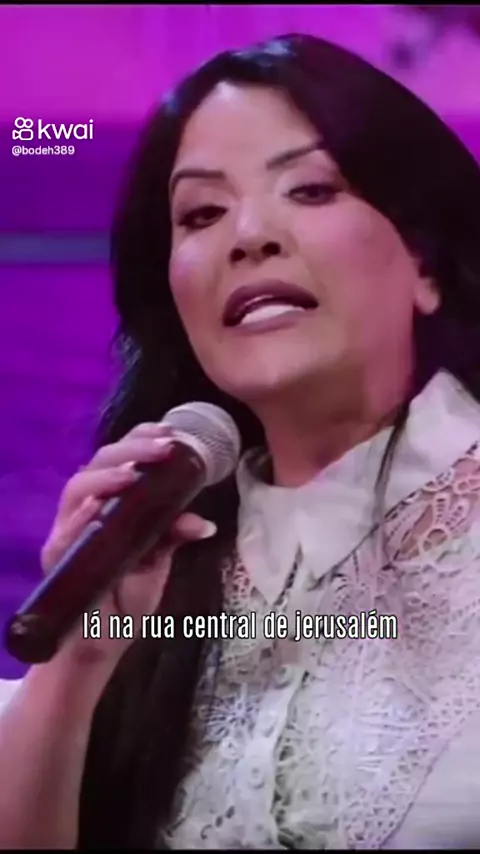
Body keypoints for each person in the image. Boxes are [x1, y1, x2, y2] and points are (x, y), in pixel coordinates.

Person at [2, 31, 480, 850]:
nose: (248, 234)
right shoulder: (154, 563)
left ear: (425, 266)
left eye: (311, 189)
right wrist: (76, 664)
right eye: (201, 213)